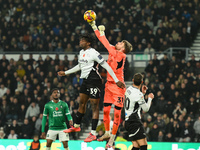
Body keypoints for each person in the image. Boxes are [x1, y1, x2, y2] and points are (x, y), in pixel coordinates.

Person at [58, 33, 125, 142]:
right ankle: (76, 125)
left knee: (94, 105)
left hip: (94, 79)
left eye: (82, 40)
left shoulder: (94, 53)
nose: (80, 42)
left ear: (88, 43)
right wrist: (66, 73)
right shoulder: (81, 52)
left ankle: (93, 133)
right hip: (85, 80)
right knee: (82, 103)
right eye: (80, 40)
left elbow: (106, 65)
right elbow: (80, 66)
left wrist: (117, 80)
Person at [88, 21, 133, 147]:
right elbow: (105, 42)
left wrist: (102, 33)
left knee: (117, 114)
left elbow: (105, 43)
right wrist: (94, 26)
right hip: (109, 85)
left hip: (118, 87)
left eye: (120, 43)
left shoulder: (122, 55)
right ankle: (107, 132)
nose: (117, 43)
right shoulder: (113, 50)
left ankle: (113, 138)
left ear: (123, 48)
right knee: (106, 111)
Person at [124, 73, 154, 150]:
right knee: (144, 146)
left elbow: (135, 102)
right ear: (142, 82)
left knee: (136, 146)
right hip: (134, 121)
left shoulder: (128, 89)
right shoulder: (138, 94)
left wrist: (143, 93)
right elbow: (146, 109)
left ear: (133, 80)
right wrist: (150, 98)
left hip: (128, 120)